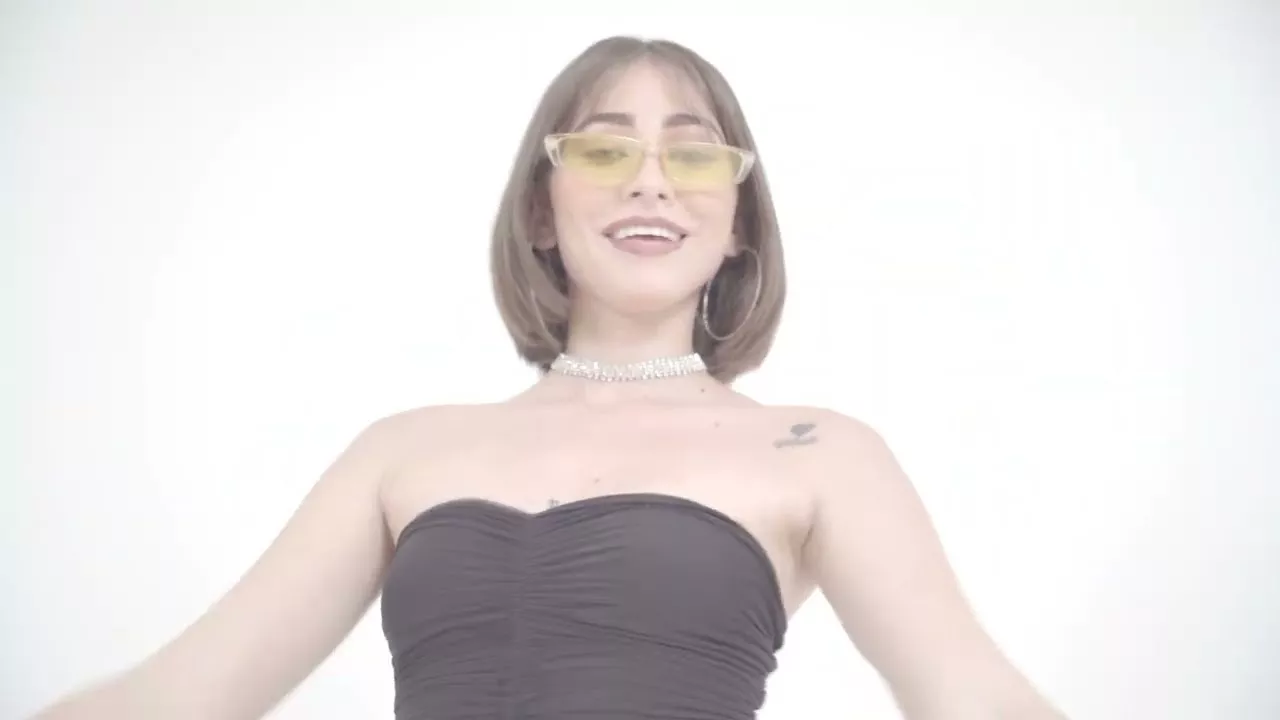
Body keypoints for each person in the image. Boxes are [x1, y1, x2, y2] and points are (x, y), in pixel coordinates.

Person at [35, 36, 1068, 720]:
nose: (651, 181)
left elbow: (972, 697)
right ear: (540, 208)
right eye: (605, 152)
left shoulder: (819, 454)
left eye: (693, 156)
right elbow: (181, 695)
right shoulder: (403, 451)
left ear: (737, 220)